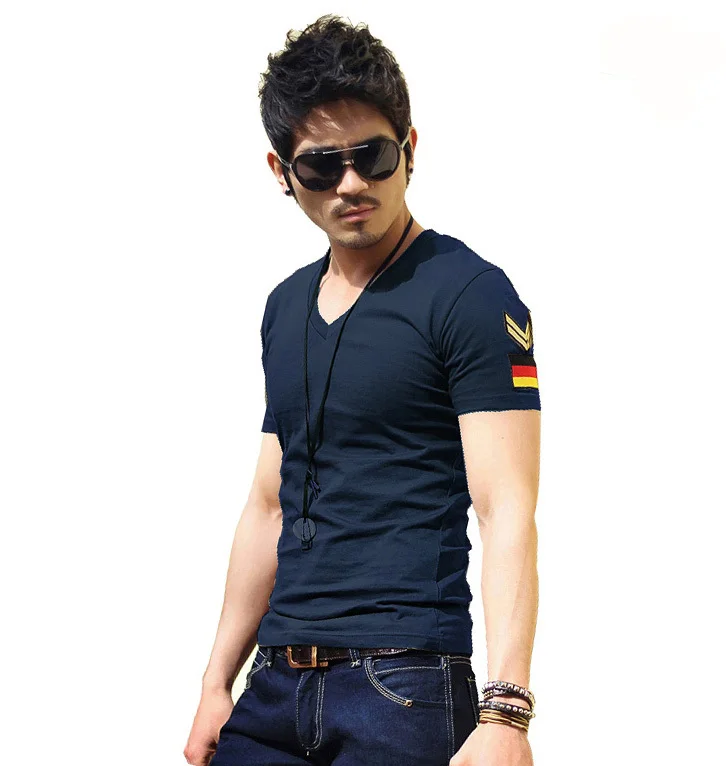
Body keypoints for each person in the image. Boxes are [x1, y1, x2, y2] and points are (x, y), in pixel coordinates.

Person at [184, 14, 541, 766]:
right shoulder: (284, 307)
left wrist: (507, 713)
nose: (352, 184)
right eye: (321, 167)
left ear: (409, 149)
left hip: (403, 684)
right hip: (275, 682)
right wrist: (217, 682)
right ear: (281, 172)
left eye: (372, 156)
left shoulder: (470, 294)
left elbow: (506, 507)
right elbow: (268, 504)